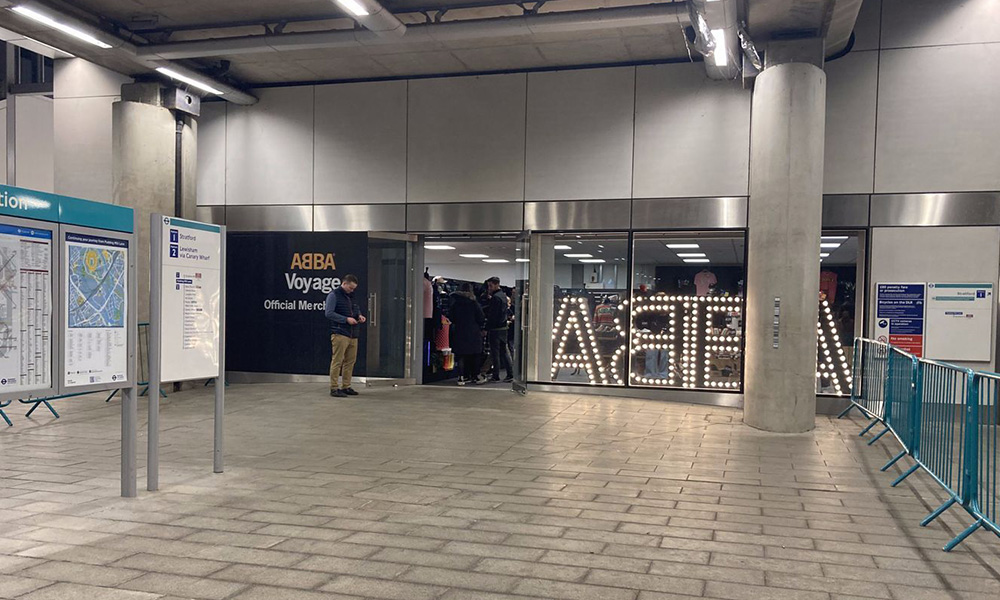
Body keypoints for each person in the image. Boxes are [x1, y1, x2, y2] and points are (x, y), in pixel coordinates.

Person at [325, 274, 366, 398]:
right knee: (337, 361)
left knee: (350, 361)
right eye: (350, 288)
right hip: (340, 332)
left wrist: (359, 316)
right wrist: (345, 319)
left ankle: (346, 386)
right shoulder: (333, 295)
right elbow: (329, 313)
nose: (352, 290)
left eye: (353, 289)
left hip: (353, 333)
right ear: (344, 284)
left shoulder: (351, 297)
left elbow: (356, 309)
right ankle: (334, 387)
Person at [449, 283, 486, 385]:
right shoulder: (474, 303)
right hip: (473, 332)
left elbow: (451, 317)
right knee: (475, 354)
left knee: (460, 355)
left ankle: (461, 377)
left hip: (459, 331)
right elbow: (481, 318)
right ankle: (476, 376)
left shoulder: (455, 303)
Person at [485, 276, 514, 383]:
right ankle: (510, 373)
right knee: (504, 351)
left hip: (495, 328)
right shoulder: (503, 296)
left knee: (495, 352)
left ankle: (495, 375)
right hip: (503, 328)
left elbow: (493, 315)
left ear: (496, 284)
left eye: (490, 285)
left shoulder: (495, 298)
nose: (489, 288)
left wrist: (486, 327)